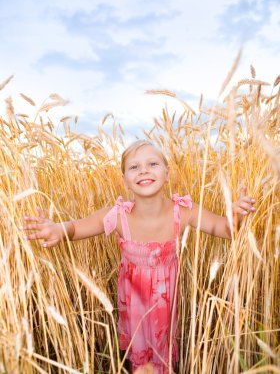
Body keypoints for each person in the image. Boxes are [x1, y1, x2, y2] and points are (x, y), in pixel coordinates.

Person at [22, 140, 256, 373]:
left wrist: (236, 214)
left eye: (152, 163)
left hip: (167, 301)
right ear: (124, 179)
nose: (144, 170)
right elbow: (75, 228)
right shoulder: (118, 216)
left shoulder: (184, 211)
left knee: (164, 351)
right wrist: (57, 229)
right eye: (134, 167)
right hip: (134, 302)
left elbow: (227, 230)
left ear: (167, 173)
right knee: (139, 355)